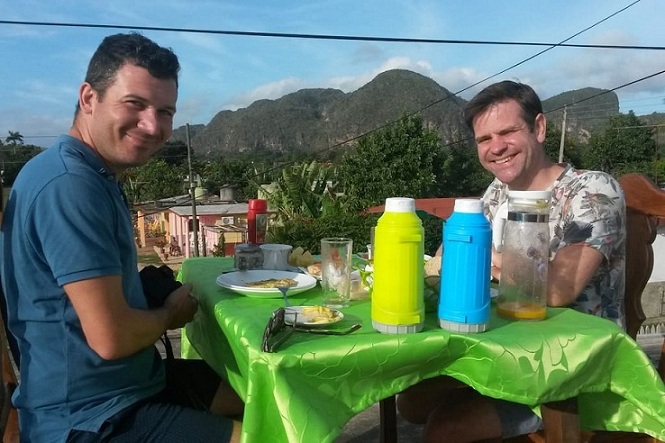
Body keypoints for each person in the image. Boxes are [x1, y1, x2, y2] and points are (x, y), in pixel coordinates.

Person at [0, 33, 243, 442]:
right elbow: (111, 339)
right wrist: (170, 316)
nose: (152, 125)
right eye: (135, 104)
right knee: (270, 432)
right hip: (90, 417)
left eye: (165, 111)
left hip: (131, 383)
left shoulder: (91, 173)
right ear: (88, 98)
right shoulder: (69, 185)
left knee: (261, 392)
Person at [397, 80, 626, 442]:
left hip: (572, 370)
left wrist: (485, 257)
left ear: (539, 128)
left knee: (448, 428)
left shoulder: (593, 191)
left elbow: (556, 290)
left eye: (507, 132)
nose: (496, 147)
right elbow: (448, 259)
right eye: (484, 139)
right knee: (411, 400)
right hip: (505, 351)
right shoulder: (497, 192)